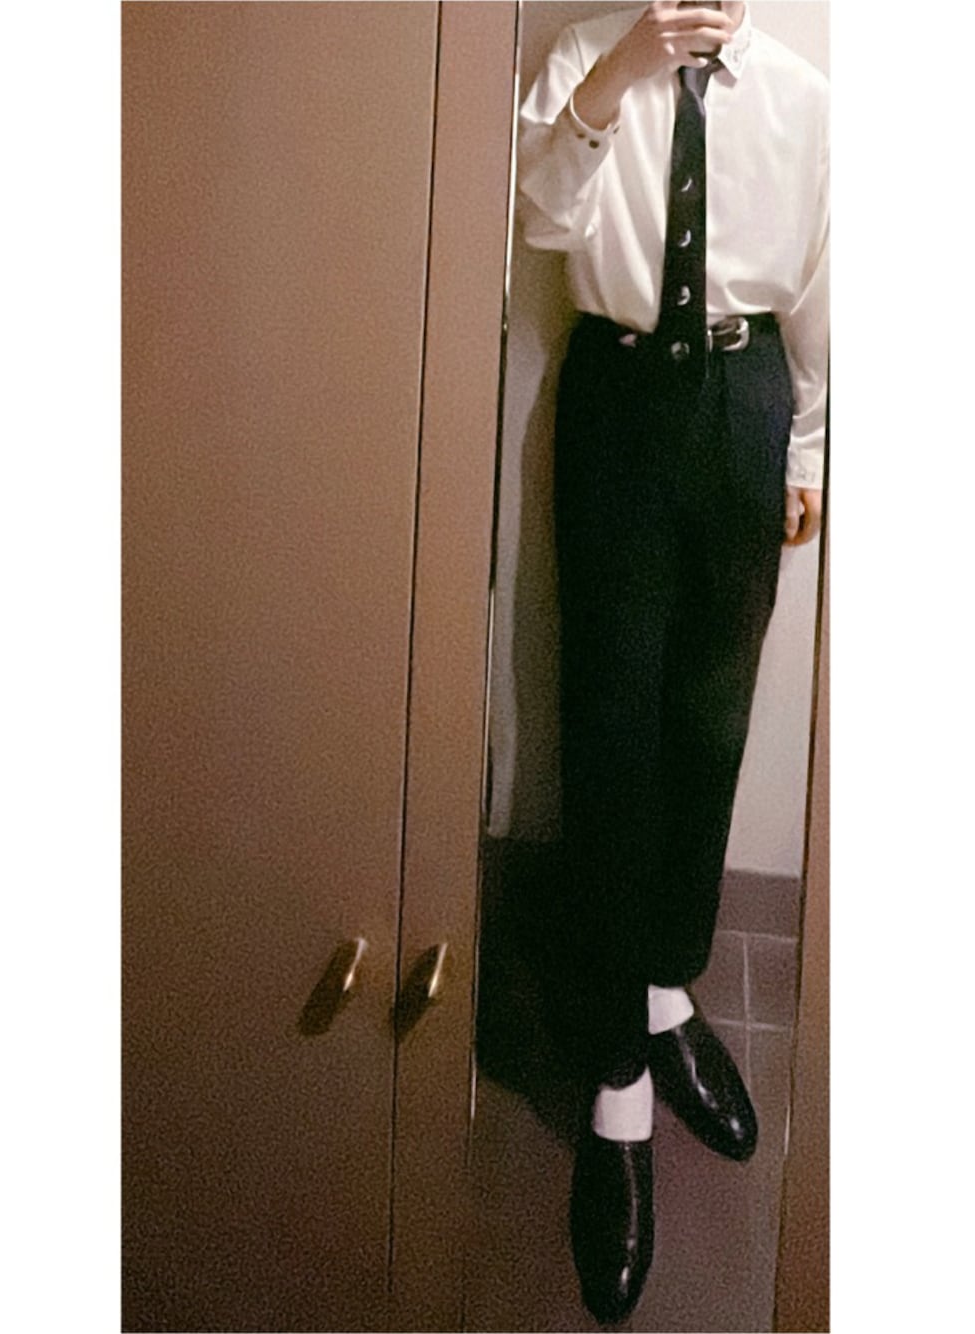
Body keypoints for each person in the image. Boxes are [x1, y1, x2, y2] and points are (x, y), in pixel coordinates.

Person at [516, 2, 828, 1322]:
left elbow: (820, 281)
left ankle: (661, 983)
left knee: (710, 722)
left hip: (745, 403)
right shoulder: (582, 58)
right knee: (611, 725)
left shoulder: (805, 97)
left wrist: (807, 449)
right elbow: (543, 221)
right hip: (621, 396)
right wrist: (618, 79)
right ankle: (616, 1083)